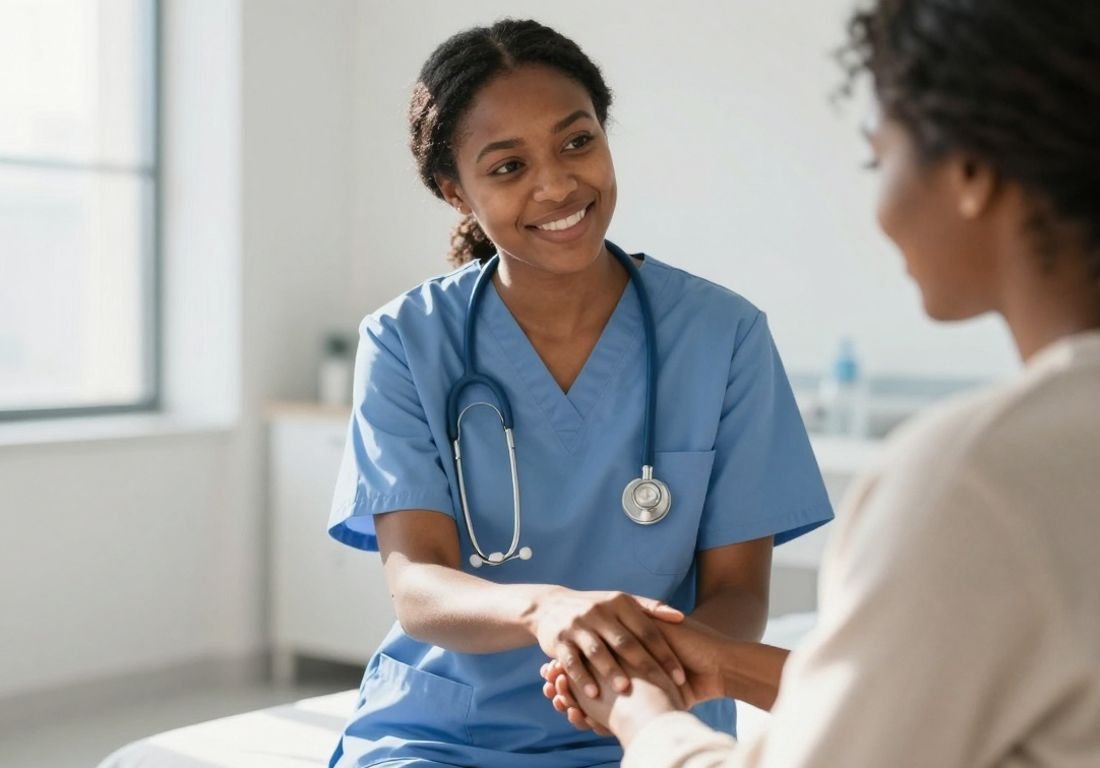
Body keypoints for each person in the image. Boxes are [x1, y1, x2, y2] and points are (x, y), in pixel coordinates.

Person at [542, 0, 1100, 765]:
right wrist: (721, 663)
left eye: (877, 157)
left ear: (968, 172)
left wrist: (645, 718)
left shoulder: (976, 479)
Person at [325, 18, 833, 768]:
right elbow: (417, 584)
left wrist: (643, 665)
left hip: (656, 717)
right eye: (506, 167)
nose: (558, 184)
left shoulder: (722, 335)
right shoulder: (405, 340)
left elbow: (736, 592)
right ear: (454, 191)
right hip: (444, 733)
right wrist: (547, 609)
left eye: (577, 142)